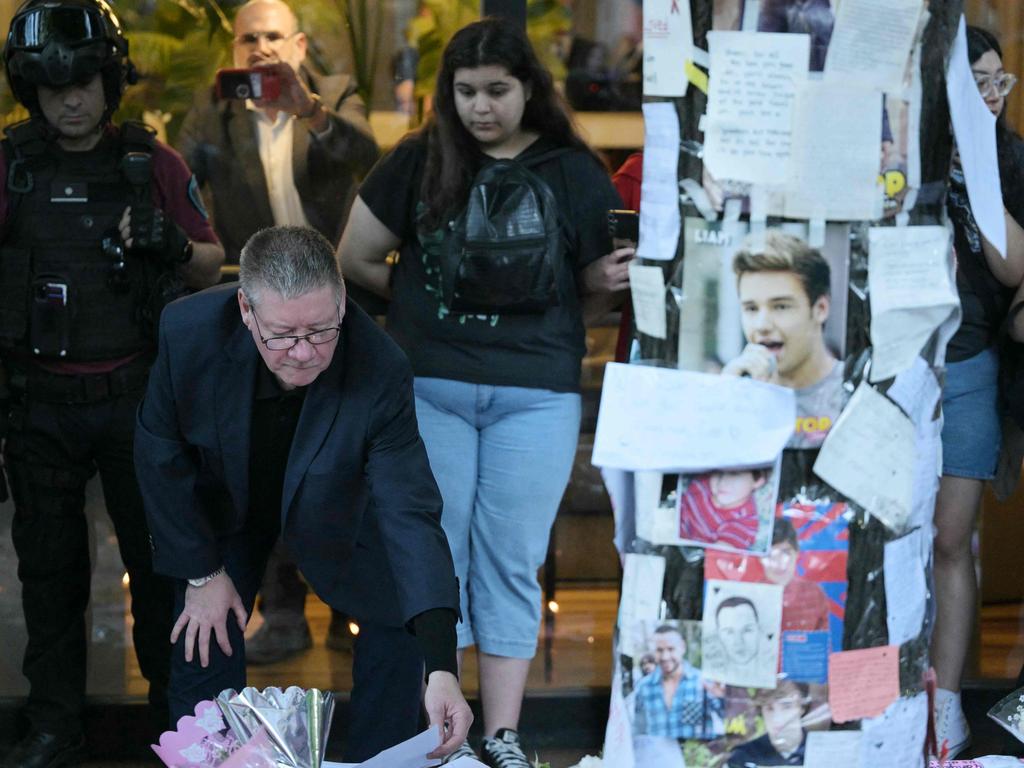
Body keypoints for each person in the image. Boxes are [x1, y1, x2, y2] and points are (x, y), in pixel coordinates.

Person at [338, 17, 629, 767]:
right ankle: (451, 733)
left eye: (497, 90)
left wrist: (566, 303)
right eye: (465, 91)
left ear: (529, 89)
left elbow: (604, 286)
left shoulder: (572, 170)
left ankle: (502, 735)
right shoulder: (415, 159)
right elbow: (354, 258)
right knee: (440, 559)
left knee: (510, 561)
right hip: (429, 386)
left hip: (535, 393)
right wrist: (416, 308)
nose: (480, 107)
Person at [133, 226, 471, 763]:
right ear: (246, 309)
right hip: (222, 506)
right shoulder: (188, 330)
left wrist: (443, 665)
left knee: (395, 618)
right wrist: (203, 574)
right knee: (203, 633)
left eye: (320, 331)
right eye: (282, 335)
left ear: (341, 303)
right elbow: (160, 455)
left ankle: (380, 758)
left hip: (335, 508)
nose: (303, 353)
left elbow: (410, 512)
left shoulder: (379, 365)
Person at [0, 1, 224, 765]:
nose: (70, 100)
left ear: (110, 79)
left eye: (85, 81)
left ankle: (175, 724)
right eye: (52, 86)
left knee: (158, 576)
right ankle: (53, 725)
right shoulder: (11, 163)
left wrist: (169, 242)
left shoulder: (150, 162)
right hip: (36, 406)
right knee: (50, 580)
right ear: (29, 89)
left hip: (136, 402)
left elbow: (210, 257)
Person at [177, 0, 380, 664]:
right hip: (254, 313)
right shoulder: (213, 113)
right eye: (248, 38)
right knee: (261, 465)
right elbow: (181, 189)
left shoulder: (335, 98)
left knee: (343, 460)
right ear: (232, 49)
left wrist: (308, 108)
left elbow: (366, 156)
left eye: (272, 36)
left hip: (332, 309)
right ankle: (284, 611)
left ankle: (350, 609)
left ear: (296, 44)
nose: (261, 48)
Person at [932, 26, 1024, 760]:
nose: (992, 96)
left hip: (970, 362)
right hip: (898, 367)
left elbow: (1010, 268)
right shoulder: (906, 152)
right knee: (894, 539)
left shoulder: (1013, 158)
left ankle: (948, 703)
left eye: (1000, 83)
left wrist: (982, 170)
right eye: (977, 83)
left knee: (949, 538)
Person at [722, 232, 845, 448]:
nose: (762, 325)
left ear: (820, 309)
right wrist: (722, 402)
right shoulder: (733, 390)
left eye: (780, 306)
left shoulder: (853, 396)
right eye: (751, 308)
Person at [633, 625, 725, 741]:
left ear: (682, 647)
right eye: (659, 650)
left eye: (671, 649)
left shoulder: (703, 681)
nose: (665, 657)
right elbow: (634, 726)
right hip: (658, 757)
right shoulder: (643, 687)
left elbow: (729, 720)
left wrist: (723, 698)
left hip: (695, 757)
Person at [764, 517, 830, 633]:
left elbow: (822, 644)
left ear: (797, 554)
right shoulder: (750, 593)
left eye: (785, 552)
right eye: (770, 554)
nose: (779, 562)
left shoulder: (814, 593)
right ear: (760, 558)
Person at [727, 680, 809, 767]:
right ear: (761, 711)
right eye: (769, 708)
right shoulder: (742, 755)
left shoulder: (821, 749)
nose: (777, 717)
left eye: (787, 706)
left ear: (802, 707)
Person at [679, 468, 767, 550]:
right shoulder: (704, 481)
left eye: (734, 474)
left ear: (758, 481)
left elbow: (718, 553)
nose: (722, 482)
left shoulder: (745, 523)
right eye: (719, 472)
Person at [756, 0, 835, 72]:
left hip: (825, 73)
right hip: (786, 71)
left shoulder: (827, 7)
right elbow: (766, 46)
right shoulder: (774, 7)